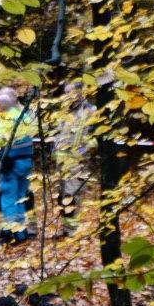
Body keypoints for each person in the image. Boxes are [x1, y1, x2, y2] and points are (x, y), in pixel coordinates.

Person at [0, 87, 37, 243]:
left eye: (0, 103)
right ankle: (20, 230)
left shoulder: (7, 119)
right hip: (27, 163)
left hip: (11, 164)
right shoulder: (25, 115)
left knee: (8, 198)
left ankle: (12, 232)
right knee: (20, 197)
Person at [53, 81, 95, 236]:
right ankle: (66, 228)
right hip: (61, 160)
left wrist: (86, 147)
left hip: (78, 160)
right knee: (61, 195)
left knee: (71, 194)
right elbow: (59, 132)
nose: (66, 96)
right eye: (65, 93)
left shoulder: (90, 111)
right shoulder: (65, 111)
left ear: (80, 93)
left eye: (69, 92)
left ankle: (72, 230)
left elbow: (99, 136)